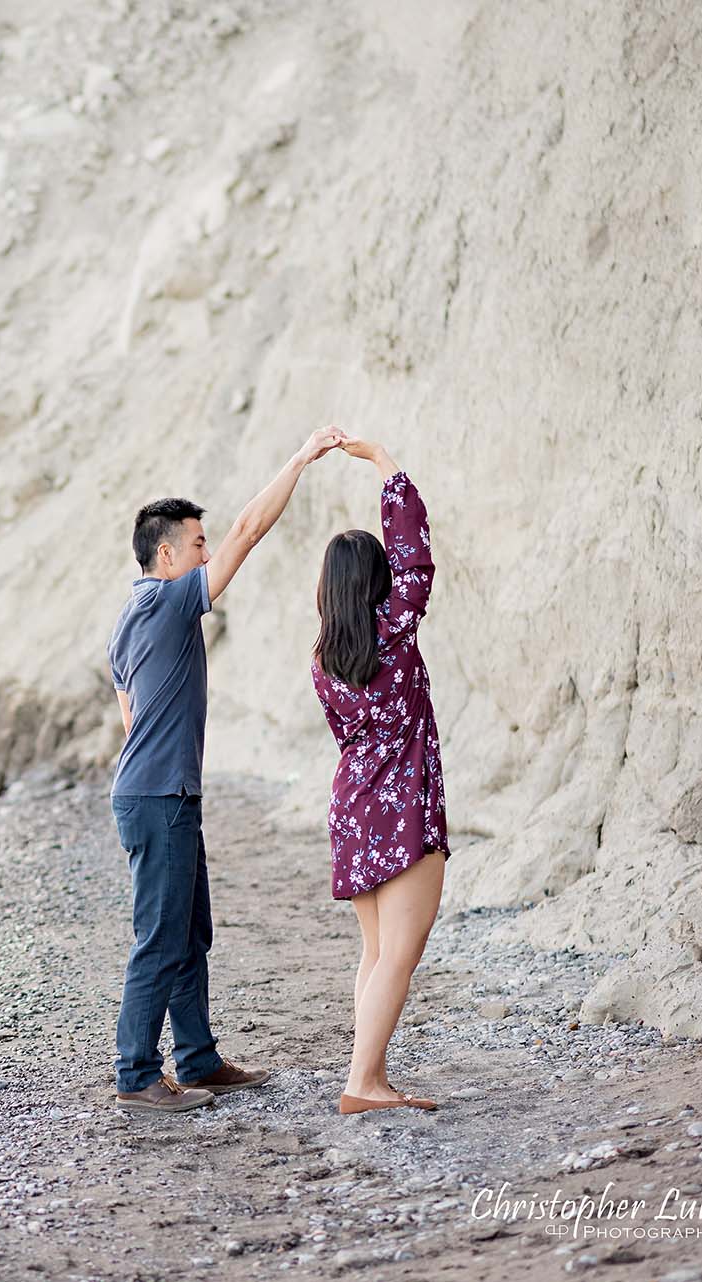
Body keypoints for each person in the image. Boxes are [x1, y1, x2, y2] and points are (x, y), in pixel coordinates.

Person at [104, 425, 347, 1114]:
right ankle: (136, 1076)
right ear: (167, 554)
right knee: (160, 936)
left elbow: (129, 714)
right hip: (160, 798)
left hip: (153, 792)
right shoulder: (171, 600)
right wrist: (298, 459)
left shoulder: (128, 618)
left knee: (188, 931)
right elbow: (248, 527)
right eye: (198, 545)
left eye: (205, 544)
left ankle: (200, 1059)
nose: (209, 553)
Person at [308, 437, 448, 1115]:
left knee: (375, 952)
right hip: (404, 800)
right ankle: (362, 1083)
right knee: (403, 951)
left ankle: (372, 1076)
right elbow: (414, 554)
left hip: (353, 801)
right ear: (377, 585)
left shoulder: (323, 657)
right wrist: (385, 462)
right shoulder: (394, 629)